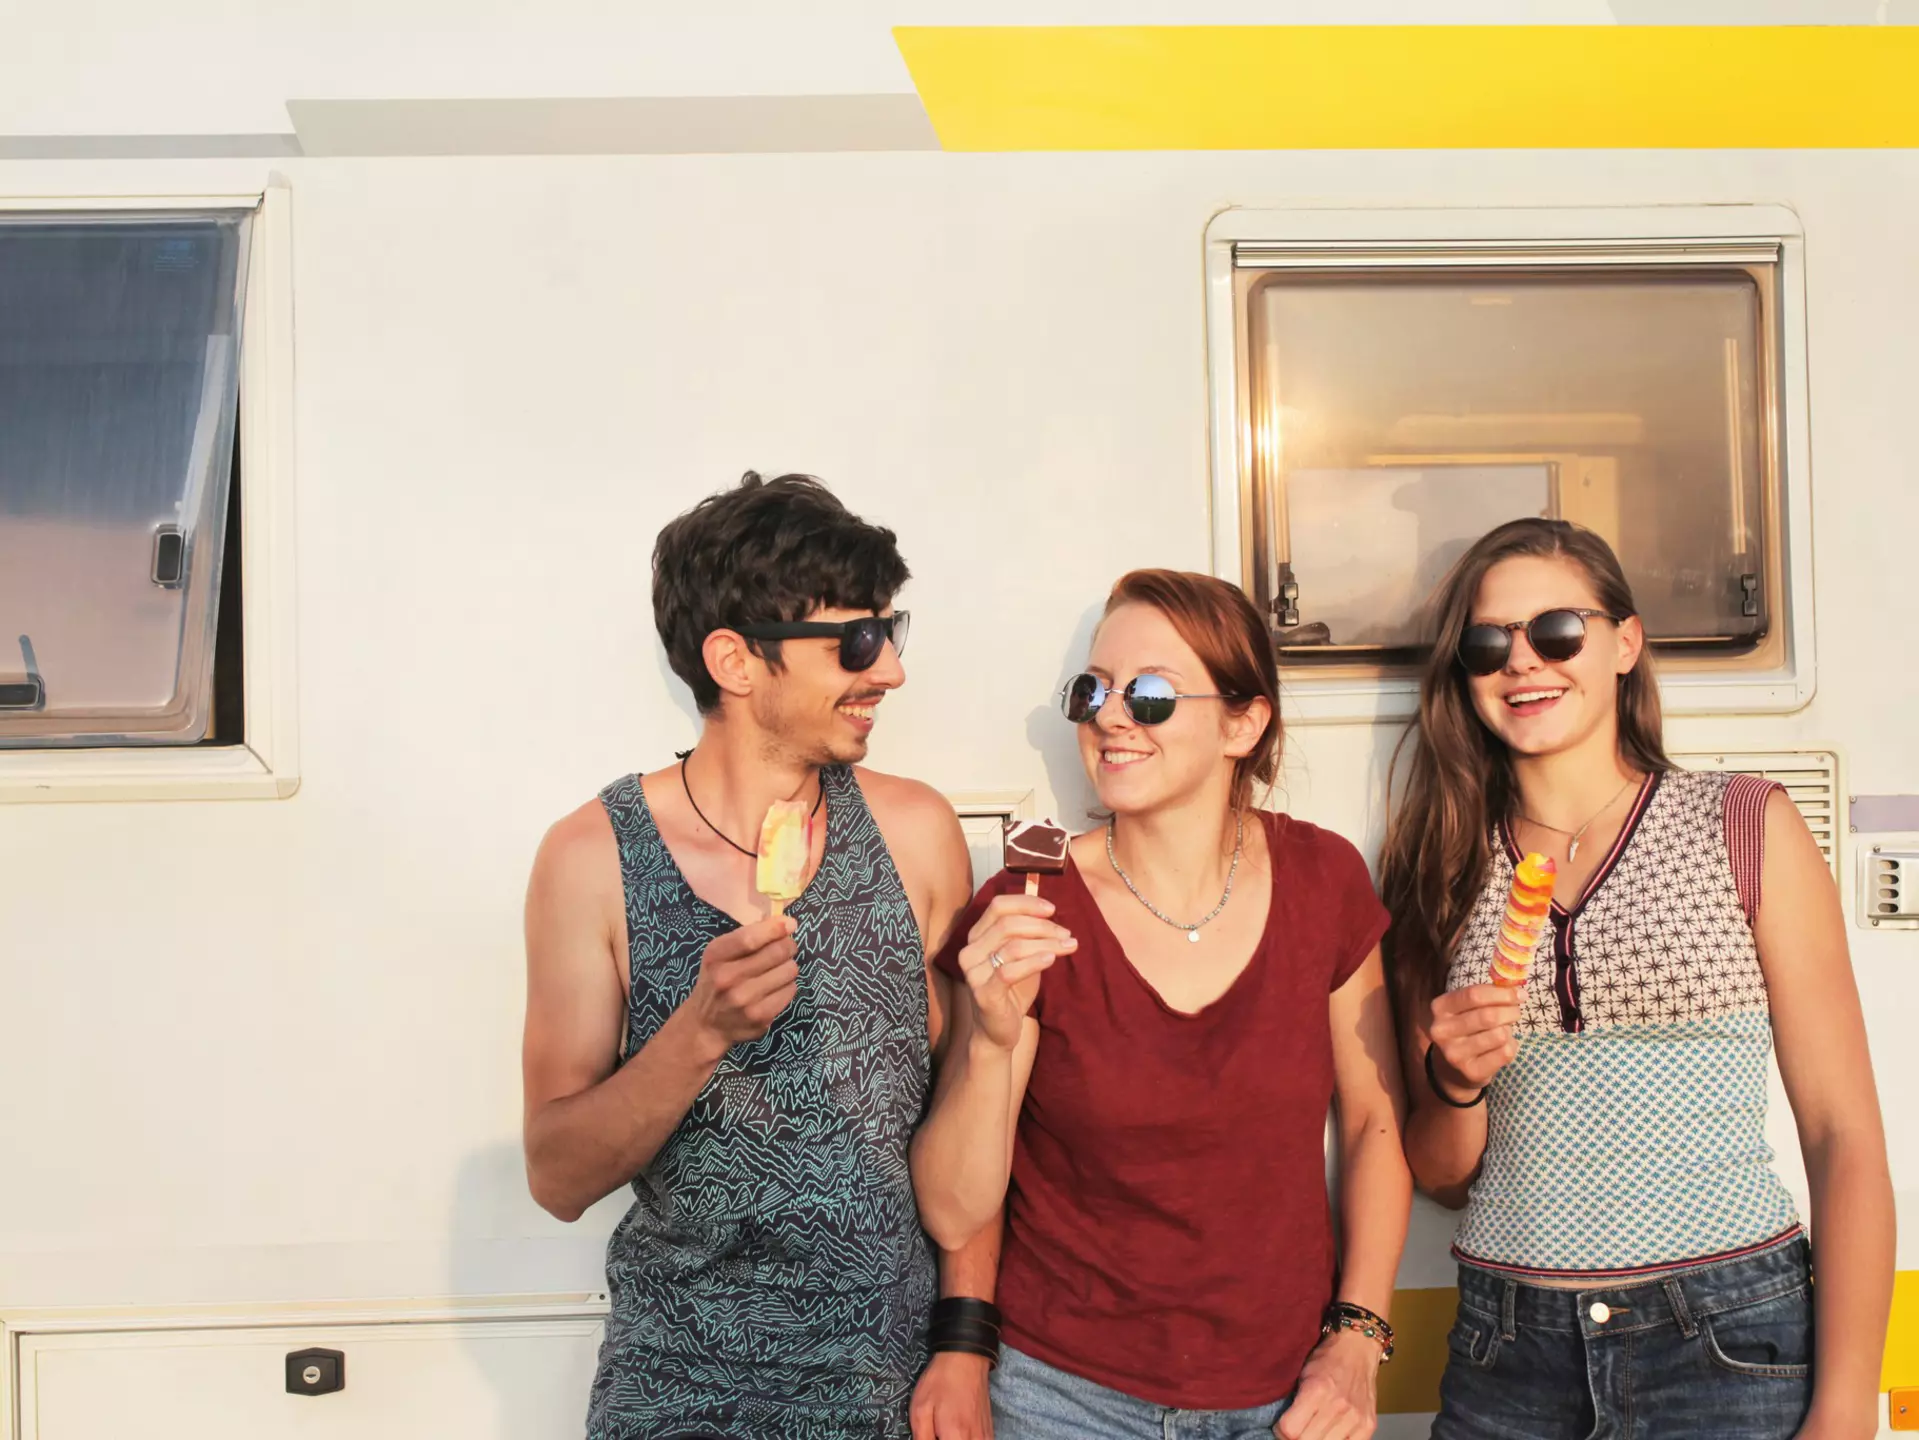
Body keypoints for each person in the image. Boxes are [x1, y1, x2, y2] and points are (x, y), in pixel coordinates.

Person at [1378, 518, 1894, 1440]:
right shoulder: (1440, 862)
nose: (1523, 662)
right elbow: (1443, 1176)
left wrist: (1846, 1402)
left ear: (1623, 642)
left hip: (1725, 1339)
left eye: (1558, 631)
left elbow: (1842, 1133)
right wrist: (1455, 1086)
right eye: (1488, 642)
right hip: (1506, 1348)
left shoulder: (1740, 823)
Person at [520, 471, 997, 1440]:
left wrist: (963, 1341)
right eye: (856, 642)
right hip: (678, 1388)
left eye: (888, 633)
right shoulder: (591, 860)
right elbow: (556, 1175)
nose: (889, 673)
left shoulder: (913, 834)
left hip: (886, 1385)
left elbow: (971, 1098)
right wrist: (699, 1033)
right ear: (735, 662)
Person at [910, 568, 1412, 1440]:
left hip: (1287, 1396)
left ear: (1242, 723)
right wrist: (991, 1042)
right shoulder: (1033, 902)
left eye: (1146, 694)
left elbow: (1373, 1121)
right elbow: (953, 1208)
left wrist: (1358, 1339)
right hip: (1063, 1396)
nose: (1107, 716)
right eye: (1090, 691)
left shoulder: (1322, 879)